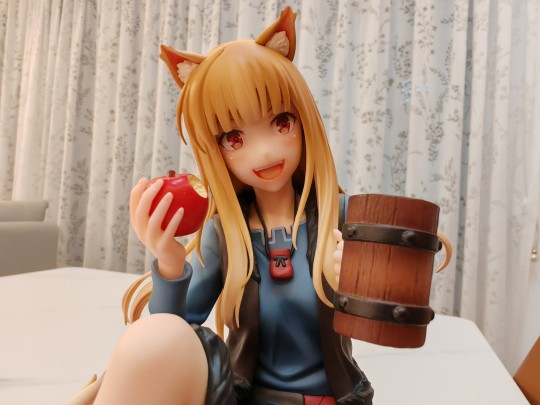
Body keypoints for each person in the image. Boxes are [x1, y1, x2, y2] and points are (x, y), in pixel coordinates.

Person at [68, 7, 373, 405]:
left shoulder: (340, 215)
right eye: (234, 138)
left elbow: (392, 310)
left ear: (303, 120)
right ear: (216, 151)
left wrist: (358, 281)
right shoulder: (226, 234)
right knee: (152, 337)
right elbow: (171, 332)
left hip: (330, 400)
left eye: (281, 122)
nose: (263, 152)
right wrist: (169, 261)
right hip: (243, 398)